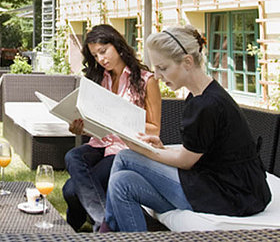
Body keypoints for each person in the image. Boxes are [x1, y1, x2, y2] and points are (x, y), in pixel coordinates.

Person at [103, 25, 271, 232]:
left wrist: (142, 149)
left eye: (162, 68)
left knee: (125, 158)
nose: (156, 75)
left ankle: (106, 231)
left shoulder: (207, 105)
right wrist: (162, 149)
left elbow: (185, 161)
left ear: (187, 62)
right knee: (122, 182)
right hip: (226, 184)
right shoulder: (202, 95)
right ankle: (114, 231)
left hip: (231, 194)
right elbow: (199, 152)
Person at [62, 24, 161, 231]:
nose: (101, 59)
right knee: (72, 156)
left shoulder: (146, 80)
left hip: (126, 149)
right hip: (101, 142)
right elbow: (98, 122)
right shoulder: (99, 79)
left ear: (117, 45)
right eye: (95, 56)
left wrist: (121, 120)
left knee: (71, 190)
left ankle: (77, 227)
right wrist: (81, 127)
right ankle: (103, 219)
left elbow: (154, 129)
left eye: (103, 51)